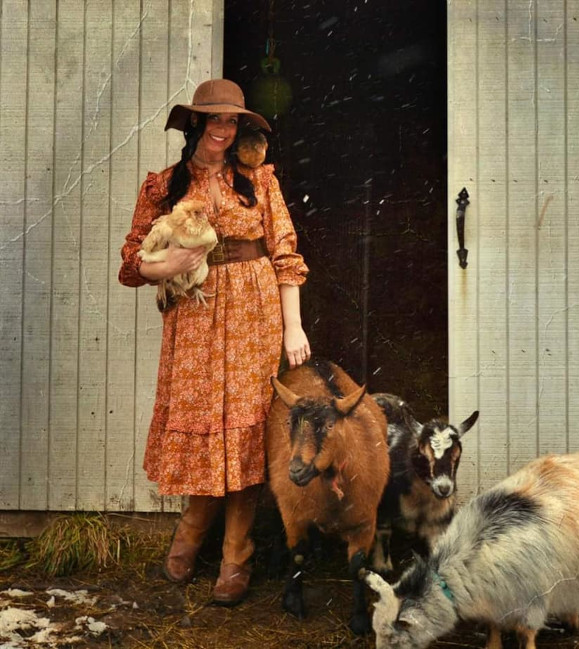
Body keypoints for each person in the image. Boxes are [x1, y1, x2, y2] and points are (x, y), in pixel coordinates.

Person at [118, 79, 311, 606]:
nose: (224, 130)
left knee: (247, 427)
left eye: (233, 122)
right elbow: (131, 265)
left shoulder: (259, 181)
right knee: (205, 422)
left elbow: (286, 254)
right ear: (197, 125)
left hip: (255, 312)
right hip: (196, 316)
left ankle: (235, 556)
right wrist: (170, 264)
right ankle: (189, 536)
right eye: (215, 120)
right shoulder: (164, 185)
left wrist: (294, 326)